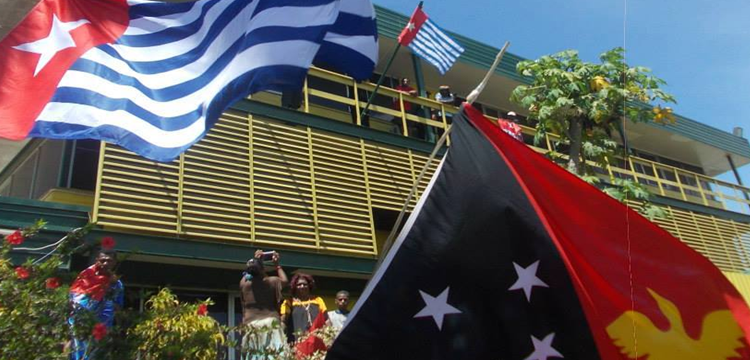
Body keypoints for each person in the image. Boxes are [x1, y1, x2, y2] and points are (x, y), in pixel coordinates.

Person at [68, 250, 124, 360]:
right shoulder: (85, 277)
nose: (106, 264)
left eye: (109, 261)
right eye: (103, 261)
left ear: (114, 263)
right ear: (97, 261)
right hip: (82, 324)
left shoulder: (116, 284)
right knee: (80, 350)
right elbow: (74, 300)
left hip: (102, 327)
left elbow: (118, 307)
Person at [239, 249, 288, 359]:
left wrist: (256, 260)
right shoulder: (271, 282)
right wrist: (277, 265)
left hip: (251, 325)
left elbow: (247, 275)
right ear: (263, 269)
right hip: (270, 323)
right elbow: (284, 280)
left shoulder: (244, 285)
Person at [280, 273, 327, 342]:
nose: (302, 286)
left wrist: (329, 337)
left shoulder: (318, 300)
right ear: (294, 287)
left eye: (305, 284)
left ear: (309, 286)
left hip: (316, 340)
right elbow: (283, 321)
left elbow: (326, 319)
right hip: (296, 341)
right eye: (299, 285)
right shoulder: (289, 302)